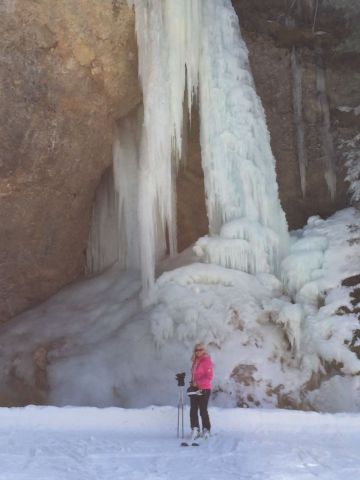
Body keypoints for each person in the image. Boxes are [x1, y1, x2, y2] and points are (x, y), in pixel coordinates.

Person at [189, 343, 213, 441]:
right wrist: (192, 383)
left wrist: (198, 383)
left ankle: (206, 429)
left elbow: (209, 377)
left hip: (204, 388)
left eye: (200, 349)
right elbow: (195, 376)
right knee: (193, 409)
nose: (198, 351)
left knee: (203, 410)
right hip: (195, 388)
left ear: (204, 350)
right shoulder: (195, 361)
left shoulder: (206, 361)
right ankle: (195, 428)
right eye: (196, 350)